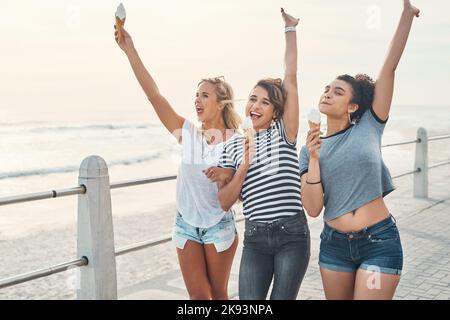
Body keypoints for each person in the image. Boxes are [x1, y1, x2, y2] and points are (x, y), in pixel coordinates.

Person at [299, 0, 420, 300]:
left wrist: (406, 17)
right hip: (335, 246)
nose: (328, 93)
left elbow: (389, 67)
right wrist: (313, 158)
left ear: (353, 106)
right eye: (326, 89)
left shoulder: (369, 125)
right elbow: (313, 209)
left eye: (338, 91)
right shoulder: (310, 148)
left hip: (378, 241)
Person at [114, 24, 241, 300]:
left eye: (204, 95)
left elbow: (241, 190)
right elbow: (154, 95)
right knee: (198, 298)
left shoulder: (235, 141)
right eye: (196, 95)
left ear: (221, 103)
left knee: (218, 295)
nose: (197, 100)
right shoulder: (187, 133)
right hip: (185, 224)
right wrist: (130, 51)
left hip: (218, 225)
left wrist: (227, 174)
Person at [208, 9, 310, 300]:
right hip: (254, 238)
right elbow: (225, 202)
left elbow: (290, 76)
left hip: (291, 234)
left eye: (265, 102)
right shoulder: (231, 145)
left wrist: (290, 30)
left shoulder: (284, 132)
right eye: (252, 98)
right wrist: (243, 168)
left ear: (275, 111)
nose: (256, 105)